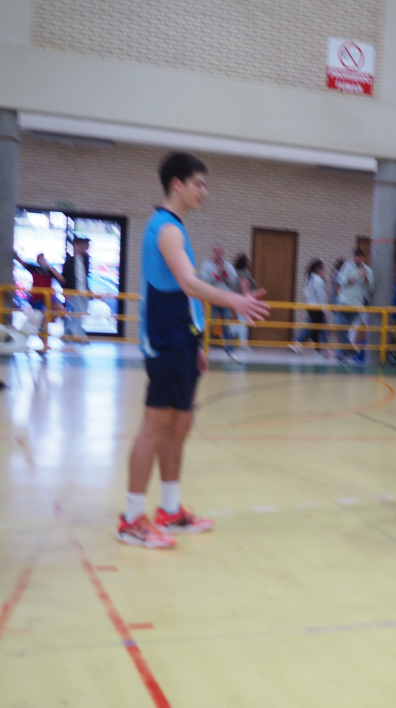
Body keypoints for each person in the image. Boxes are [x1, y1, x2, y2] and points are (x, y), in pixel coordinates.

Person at [117, 152, 271, 549]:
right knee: (155, 426)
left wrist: (197, 339)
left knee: (180, 425)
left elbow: (184, 296)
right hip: (165, 340)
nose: (204, 191)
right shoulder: (165, 228)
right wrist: (234, 300)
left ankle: (170, 511)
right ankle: (131, 519)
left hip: (183, 340)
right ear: (177, 185)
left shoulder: (176, 228)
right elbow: (188, 284)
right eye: (198, 184)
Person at [198, 244, 239, 358]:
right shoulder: (206, 265)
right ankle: (203, 349)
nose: (219, 255)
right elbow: (203, 280)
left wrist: (225, 274)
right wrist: (215, 276)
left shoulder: (228, 266)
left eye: (221, 253)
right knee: (209, 324)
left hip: (224, 300)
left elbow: (234, 282)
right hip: (211, 299)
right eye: (217, 252)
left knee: (226, 325)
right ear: (212, 253)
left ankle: (230, 350)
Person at [334, 248, 374, 363]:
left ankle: (341, 355)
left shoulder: (368, 270)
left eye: (359, 257)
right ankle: (350, 349)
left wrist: (365, 278)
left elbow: (371, 288)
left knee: (346, 330)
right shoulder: (347, 267)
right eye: (355, 257)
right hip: (343, 300)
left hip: (356, 304)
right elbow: (343, 282)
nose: (356, 259)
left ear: (363, 258)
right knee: (338, 326)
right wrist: (357, 276)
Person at [290, 259, 329, 353]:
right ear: (318, 269)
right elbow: (322, 297)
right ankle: (297, 342)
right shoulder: (318, 280)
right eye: (322, 269)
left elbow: (307, 292)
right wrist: (325, 311)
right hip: (317, 307)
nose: (323, 271)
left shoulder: (309, 278)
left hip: (310, 306)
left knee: (317, 327)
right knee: (313, 328)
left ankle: (320, 348)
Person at [60, 235, 92, 350]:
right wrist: (65, 291)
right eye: (79, 245)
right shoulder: (69, 261)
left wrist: (89, 290)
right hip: (74, 291)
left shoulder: (85, 260)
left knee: (80, 314)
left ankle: (66, 333)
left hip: (84, 292)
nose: (82, 248)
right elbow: (64, 278)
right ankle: (82, 337)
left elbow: (85, 276)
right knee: (79, 313)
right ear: (74, 246)